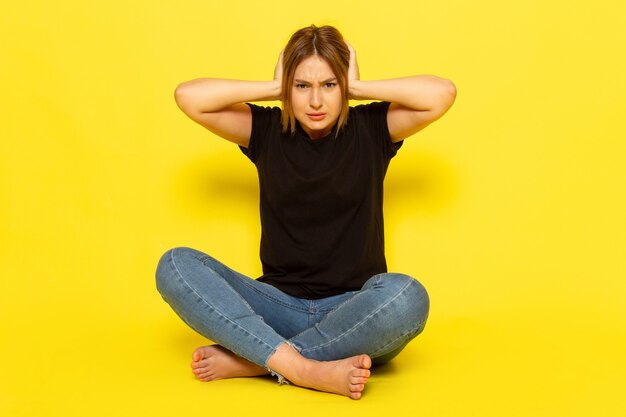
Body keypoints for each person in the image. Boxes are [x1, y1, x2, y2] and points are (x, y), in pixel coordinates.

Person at [156, 24, 456, 400]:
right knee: (175, 265)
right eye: (301, 86)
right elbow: (188, 96)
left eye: (329, 85)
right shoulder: (265, 130)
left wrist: (358, 88)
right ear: (287, 89)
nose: (316, 101)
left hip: (354, 312)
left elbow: (442, 94)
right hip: (276, 307)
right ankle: (303, 369)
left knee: (407, 296)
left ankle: (258, 359)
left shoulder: (372, 128)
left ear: (344, 86)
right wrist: (272, 88)